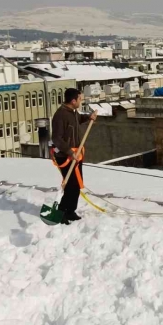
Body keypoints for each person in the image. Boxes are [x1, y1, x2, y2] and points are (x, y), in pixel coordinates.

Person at [51, 88, 97, 224]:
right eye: (80, 99)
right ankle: (61, 212)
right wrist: (69, 152)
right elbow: (57, 138)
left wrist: (89, 117)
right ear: (73, 101)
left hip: (76, 155)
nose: (81, 101)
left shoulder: (73, 112)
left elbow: (78, 120)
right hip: (65, 156)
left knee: (76, 185)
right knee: (70, 185)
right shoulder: (60, 115)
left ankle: (70, 211)